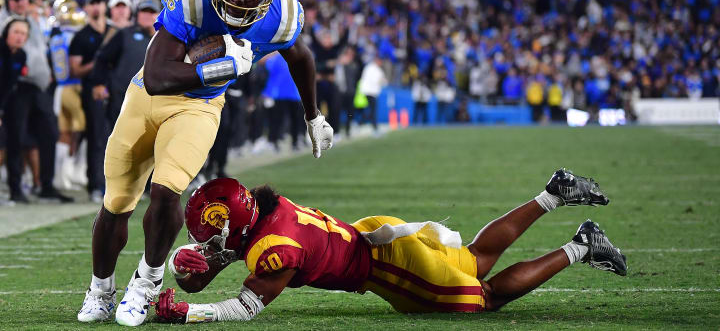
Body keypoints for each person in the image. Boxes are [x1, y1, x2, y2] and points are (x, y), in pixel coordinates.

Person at [77, 0, 334, 327]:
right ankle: (100, 291)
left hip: (200, 106)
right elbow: (159, 76)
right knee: (117, 201)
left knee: (166, 189)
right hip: (145, 96)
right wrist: (223, 67)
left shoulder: (283, 15)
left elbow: (300, 55)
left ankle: (145, 285)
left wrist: (312, 114)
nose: (239, 0)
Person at [153, 168, 626, 324]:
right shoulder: (268, 209)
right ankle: (552, 193)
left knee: (485, 298)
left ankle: (582, 246)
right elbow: (231, 253)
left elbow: (246, 307)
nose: (211, 243)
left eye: (214, 233)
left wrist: (189, 314)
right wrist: (186, 268)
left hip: (387, 266)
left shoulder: (273, 249)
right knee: (475, 259)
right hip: (379, 232)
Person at [0, 0, 71, 203]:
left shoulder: (33, 20)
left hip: (40, 86)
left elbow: (42, 50)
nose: (21, 2)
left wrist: (48, 73)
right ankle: (15, 188)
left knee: (49, 133)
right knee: (15, 137)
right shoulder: (4, 21)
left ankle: (46, 186)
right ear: (9, 0)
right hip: (16, 85)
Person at [90, 0, 161, 126]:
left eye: (151, 12)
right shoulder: (125, 34)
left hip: (152, 99)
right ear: (137, 14)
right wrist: (99, 83)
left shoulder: (164, 39)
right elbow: (102, 59)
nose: (147, 15)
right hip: (122, 98)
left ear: (159, 15)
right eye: (144, 11)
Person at [69, 0, 110, 203]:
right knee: (96, 138)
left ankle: (113, 185)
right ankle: (95, 184)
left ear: (104, 6)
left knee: (115, 138)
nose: (96, 7)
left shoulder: (114, 32)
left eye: (99, 2)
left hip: (115, 92)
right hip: (91, 91)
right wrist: (99, 62)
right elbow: (75, 70)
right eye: (92, 3)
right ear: (86, 8)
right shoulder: (81, 36)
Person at [49, 0, 87, 190]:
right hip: (75, 87)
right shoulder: (76, 37)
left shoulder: (55, 37)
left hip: (59, 87)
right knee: (76, 132)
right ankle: (68, 173)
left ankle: (60, 175)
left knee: (62, 133)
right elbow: (75, 67)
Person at [0, 17, 30, 203]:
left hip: (8, 101)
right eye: (16, 32)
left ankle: (15, 189)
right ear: (6, 33)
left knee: (16, 141)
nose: (20, 37)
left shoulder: (21, 55)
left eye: (24, 34)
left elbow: (10, 85)